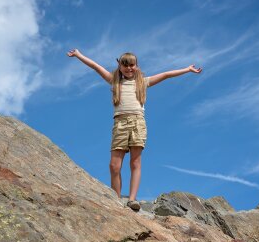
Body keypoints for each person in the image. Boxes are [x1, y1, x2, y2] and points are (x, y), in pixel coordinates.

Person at [67, 49, 202, 211]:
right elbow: (96, 67)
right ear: (120, 66)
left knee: (135, 162)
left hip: (138, 122)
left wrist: (187, 69)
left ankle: (132, 200)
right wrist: (79, 55)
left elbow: (166, 75)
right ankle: (116, 199)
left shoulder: (143, 82)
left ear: (136, 66)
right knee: (114, 166)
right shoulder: (114, 81)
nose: (129, 68)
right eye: (125, 65)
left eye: (132, 65)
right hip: (120, 123)